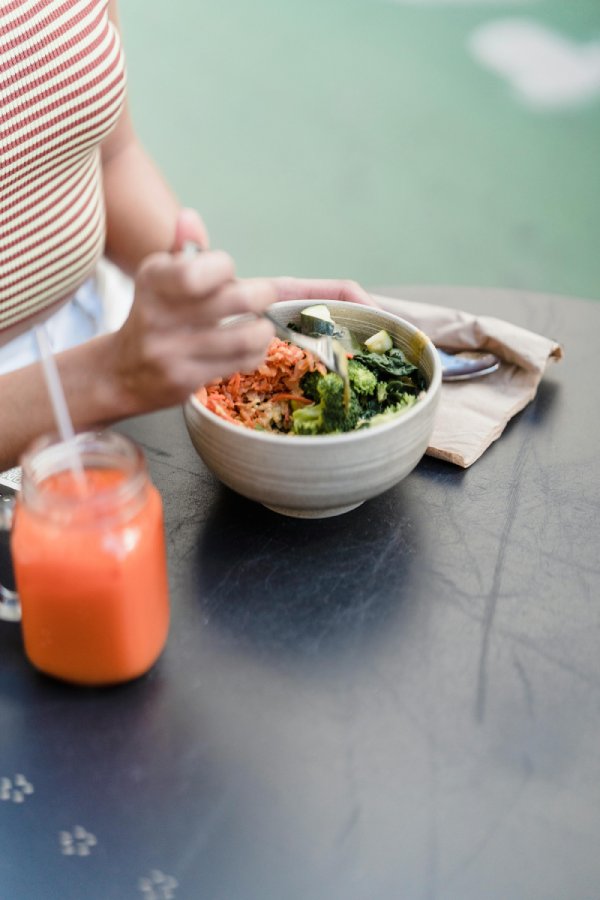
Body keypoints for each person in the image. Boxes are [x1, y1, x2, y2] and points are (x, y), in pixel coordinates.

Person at [0, 0, 373, 471]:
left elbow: (110, 155)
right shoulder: (110, 374)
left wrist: (223, 308)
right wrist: (109, 376)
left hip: (91, 344)